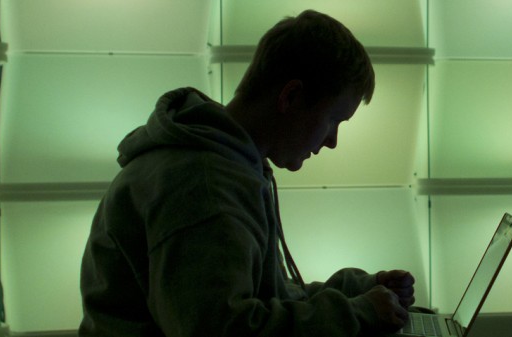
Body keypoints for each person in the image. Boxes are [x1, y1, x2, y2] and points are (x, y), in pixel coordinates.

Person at [79, 9, 415, 337]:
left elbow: (262, 299)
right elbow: (223, 327)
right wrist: (357, 313)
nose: (332, 142)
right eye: (333, 120)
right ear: (291, 96)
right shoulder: (204, 186)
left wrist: (358, 291)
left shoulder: (224, 165)